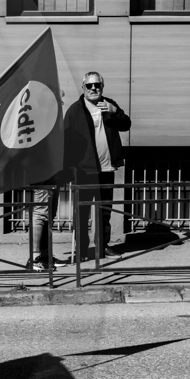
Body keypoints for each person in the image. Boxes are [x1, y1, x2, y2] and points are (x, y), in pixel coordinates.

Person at [62, 71, 131, 260]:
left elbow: (125, 125)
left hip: (106, 168)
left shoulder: (109, 105)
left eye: (97, 85)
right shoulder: (75, 110)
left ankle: (102, 247)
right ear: (83, 87)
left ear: (102, 86)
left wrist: (114, 111)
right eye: (89, 85)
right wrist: (69, 168)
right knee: (82, 211)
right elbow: (66, 140)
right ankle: (82, 250)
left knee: (104, 210)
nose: (94, 88)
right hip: (84, 170)